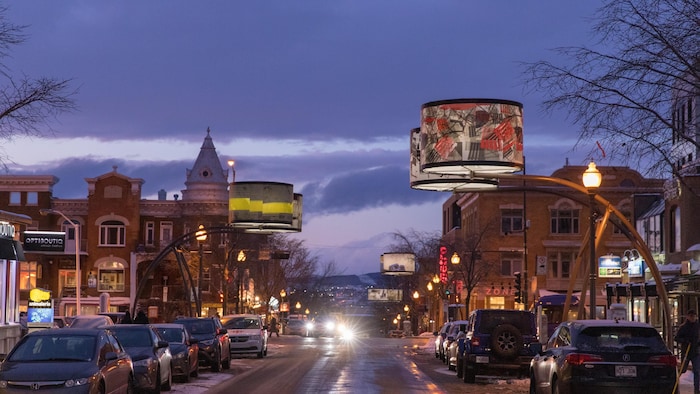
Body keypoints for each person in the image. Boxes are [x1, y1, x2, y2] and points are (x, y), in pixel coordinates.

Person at [675, 309, 700, 394]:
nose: (692, 318)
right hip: (686, 352)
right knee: (683, 369)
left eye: (694, 316)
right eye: (691, 316)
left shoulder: (698, 326)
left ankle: (696, 389)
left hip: (696, 352)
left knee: (697, 371)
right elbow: (677, 338)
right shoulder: (684, 327)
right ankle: (676, 385)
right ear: (688, 317)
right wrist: (685, 341)